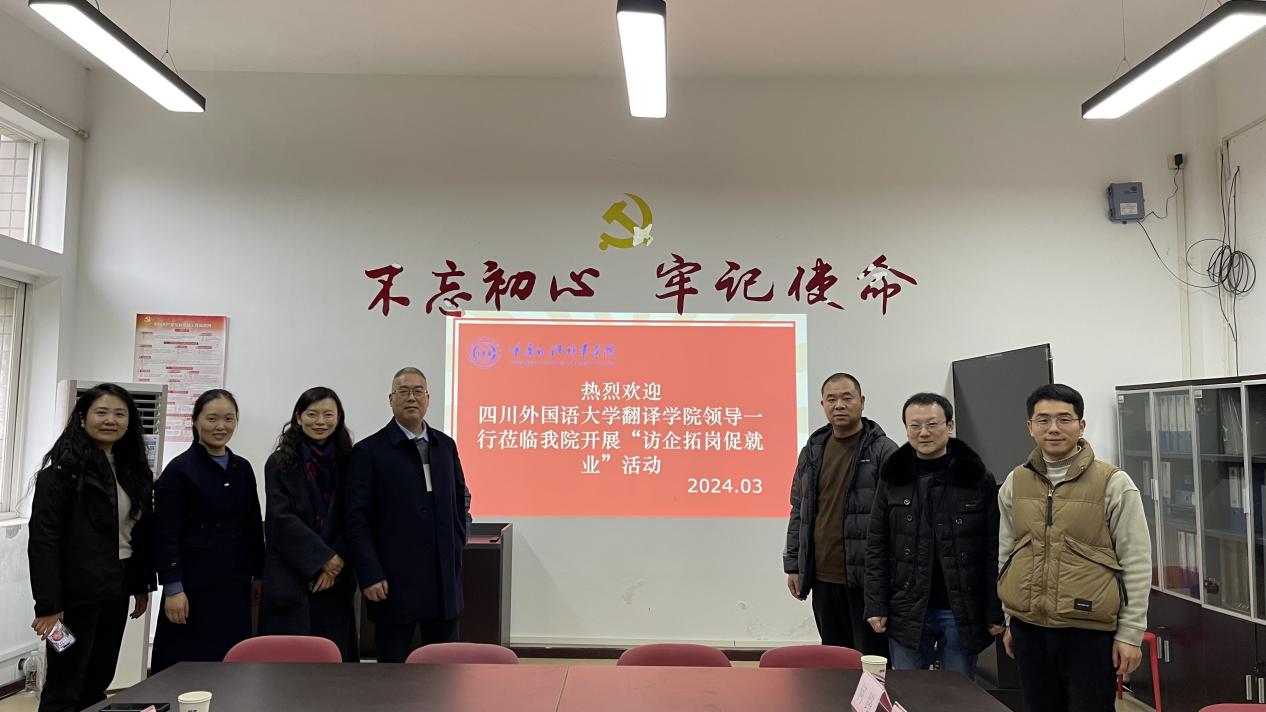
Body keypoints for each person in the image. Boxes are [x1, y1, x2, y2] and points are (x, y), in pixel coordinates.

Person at [998, 384, 1151, 712]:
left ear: (1081, 425)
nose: (1053, 428)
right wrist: (1010, 619)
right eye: (1043, 420)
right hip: (1029, 629)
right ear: (1030, 427)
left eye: (1064, 419)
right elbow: (1007, 554)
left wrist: (1130, 633)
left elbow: (1136, 561)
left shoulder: (1113, 482)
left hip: (1089, 631)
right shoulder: (1015, 481)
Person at [27, 384, 156, 712]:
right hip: (72, 598)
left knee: (99, 677)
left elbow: (138, 534)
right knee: (65, 682)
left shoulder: (134, 471)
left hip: (116, 587)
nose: (110, 420)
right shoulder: (60, 473)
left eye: (119, 414)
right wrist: (48, 605)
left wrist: (141, 584)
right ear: (83, 418)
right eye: (101, 412)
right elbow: (43, 541)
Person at [863, 392, 1004, 678]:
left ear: (949, 426)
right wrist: (875, 604)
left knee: (958, 693)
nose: (923, 433)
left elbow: (994, 548)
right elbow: (877, 544)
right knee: (908, 692)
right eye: (915, 426)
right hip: (906, 608)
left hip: (961, 609)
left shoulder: (977, 477)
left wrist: (994, 608)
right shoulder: (893, 478)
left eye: (932, 424)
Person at [345, 367, 472, 662]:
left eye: (418, 391)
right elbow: (356, 520)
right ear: (391, 399)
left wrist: (457, 541)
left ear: (428, 398)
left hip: (442, 581)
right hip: (392, 581)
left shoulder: (444, 445)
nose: (411, 398)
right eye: (403, 391)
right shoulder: (369, 451)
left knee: (445, 668)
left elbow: (460, 498)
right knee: (393, 669)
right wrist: (370, 573)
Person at [783, 372, 897, 655]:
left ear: (862, 401)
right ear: (822, 404)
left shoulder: (884, 451)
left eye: (847, 398)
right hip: (823, 577)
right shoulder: (812, 450)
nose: (839, 405)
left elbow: (898, 520)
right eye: (831, 399)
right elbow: (799, 509)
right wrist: (794, 564)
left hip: (867, 580)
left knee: (871, 659)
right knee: (834, 660)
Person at [152, 389, 264, 671]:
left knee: (230, 664)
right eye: (212, 418)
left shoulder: (242, 468)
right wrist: (173, 588)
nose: (221, 426)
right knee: (187, 664)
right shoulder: (179, 470)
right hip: (193, 586)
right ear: (195, 421)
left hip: (235, 583)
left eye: (229, 418)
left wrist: (259, 575)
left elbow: (253, 524)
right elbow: (166, 532)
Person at [259, 387, 359, 660]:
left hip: (337, 579)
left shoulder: (351, 462)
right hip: (291, 576)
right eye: (312, 414)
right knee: (289, 665)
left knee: (333, 664)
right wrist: (322, 558)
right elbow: (280, 519)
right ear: (298, 417)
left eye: (328, 414)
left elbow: (355, 517)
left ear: (339, 417)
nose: (320, 421)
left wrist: (335, 561)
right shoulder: (280, 462)